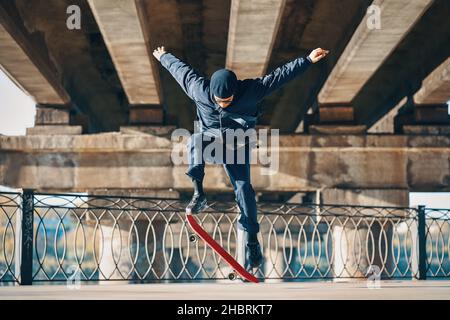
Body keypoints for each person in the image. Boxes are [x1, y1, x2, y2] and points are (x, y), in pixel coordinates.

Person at [153, 46, 329, 268]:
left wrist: (307, 60)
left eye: (228, 101)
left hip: (238, 144)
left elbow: (280, 76)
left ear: (236, 91)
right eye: (219, 101)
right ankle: (199, 194)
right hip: (211, 139)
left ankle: (253, 242)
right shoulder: (198, 88)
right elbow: (181, 71)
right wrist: (163, 57)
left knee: (244, 188)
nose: (223, 104)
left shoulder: (252, 90)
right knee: (194, 141)